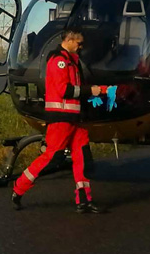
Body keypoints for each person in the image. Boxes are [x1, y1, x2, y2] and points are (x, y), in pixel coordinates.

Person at [12, 29, 107, 213]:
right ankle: (19, 187)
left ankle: (83, 200)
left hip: (74, 119)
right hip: (60, 119)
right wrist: (91, 91)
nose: (81, 47)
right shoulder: (59, 61)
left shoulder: (72, 60)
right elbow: (65, 90)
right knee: (51, 157)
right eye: (79, 43)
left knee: (81, 156)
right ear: (69, 40)